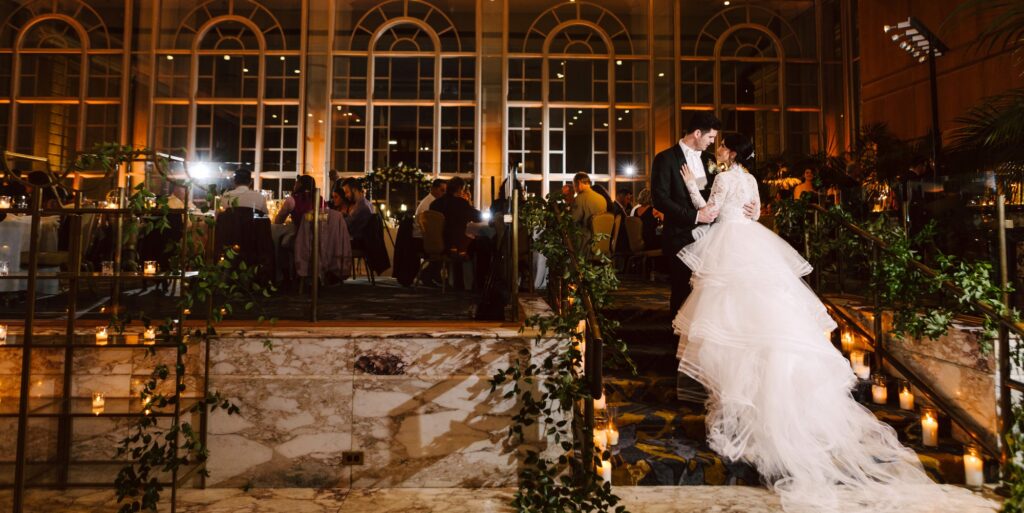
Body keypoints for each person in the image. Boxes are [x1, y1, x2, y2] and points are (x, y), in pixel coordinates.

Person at [673, 133, 941, 512]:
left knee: (734, 323)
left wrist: (690, 187)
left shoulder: (724, 176)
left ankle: (745, 403)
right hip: (755, 242)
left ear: (729, 151)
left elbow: (711, 212)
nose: (717, 151)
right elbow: (754, 212)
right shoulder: (750, 178)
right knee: (768, 319)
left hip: (730, 244)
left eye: (721, 147)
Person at [652, 111, 757, 314]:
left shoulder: (710, 160)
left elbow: (720, 193)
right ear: (698, 133)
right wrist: (695, 216)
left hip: (713, 237)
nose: (712, 142)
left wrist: (749, 207)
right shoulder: (665, 158)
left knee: (708, 292)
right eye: (710, 137)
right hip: (680, 235)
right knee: (682, 289)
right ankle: (679, 341)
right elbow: (660, 199)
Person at [429, 176, 482, 289]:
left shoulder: (435, 204)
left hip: (436, 244)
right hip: (454, 246)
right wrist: (468, 203)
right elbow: (478, 217)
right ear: (459, 189)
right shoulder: (460, 203)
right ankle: (474, 284)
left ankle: (455, 281)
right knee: (480, 244)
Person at [341, 178, 374, 249]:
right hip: (360, 241)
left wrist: (337, 218)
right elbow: (355, 220)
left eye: (347, 192)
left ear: (354, 190)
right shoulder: (366, 203)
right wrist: (345, 215)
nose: (345, 195)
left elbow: (345, 224)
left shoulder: (362, 206)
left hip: (358, 243)